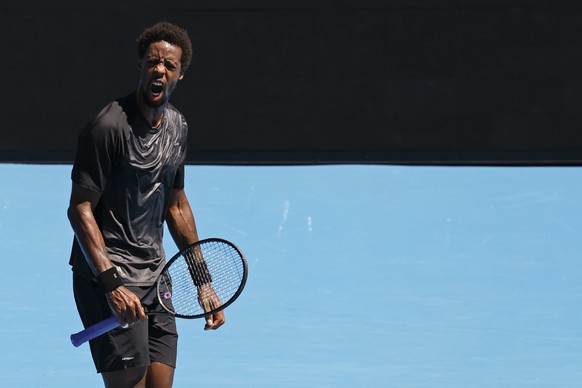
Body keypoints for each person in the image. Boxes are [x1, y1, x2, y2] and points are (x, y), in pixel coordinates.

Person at [67, 21, 224, 388]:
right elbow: (79, 209)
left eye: (169, 66)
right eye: (153, 62)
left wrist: (203, 283)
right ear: (140, 66)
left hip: (155, 278)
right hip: (107, 276)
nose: (160, 70)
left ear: (180, 75)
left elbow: (177, 207)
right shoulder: (107, 127)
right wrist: (111, 284)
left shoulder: (178, 128)